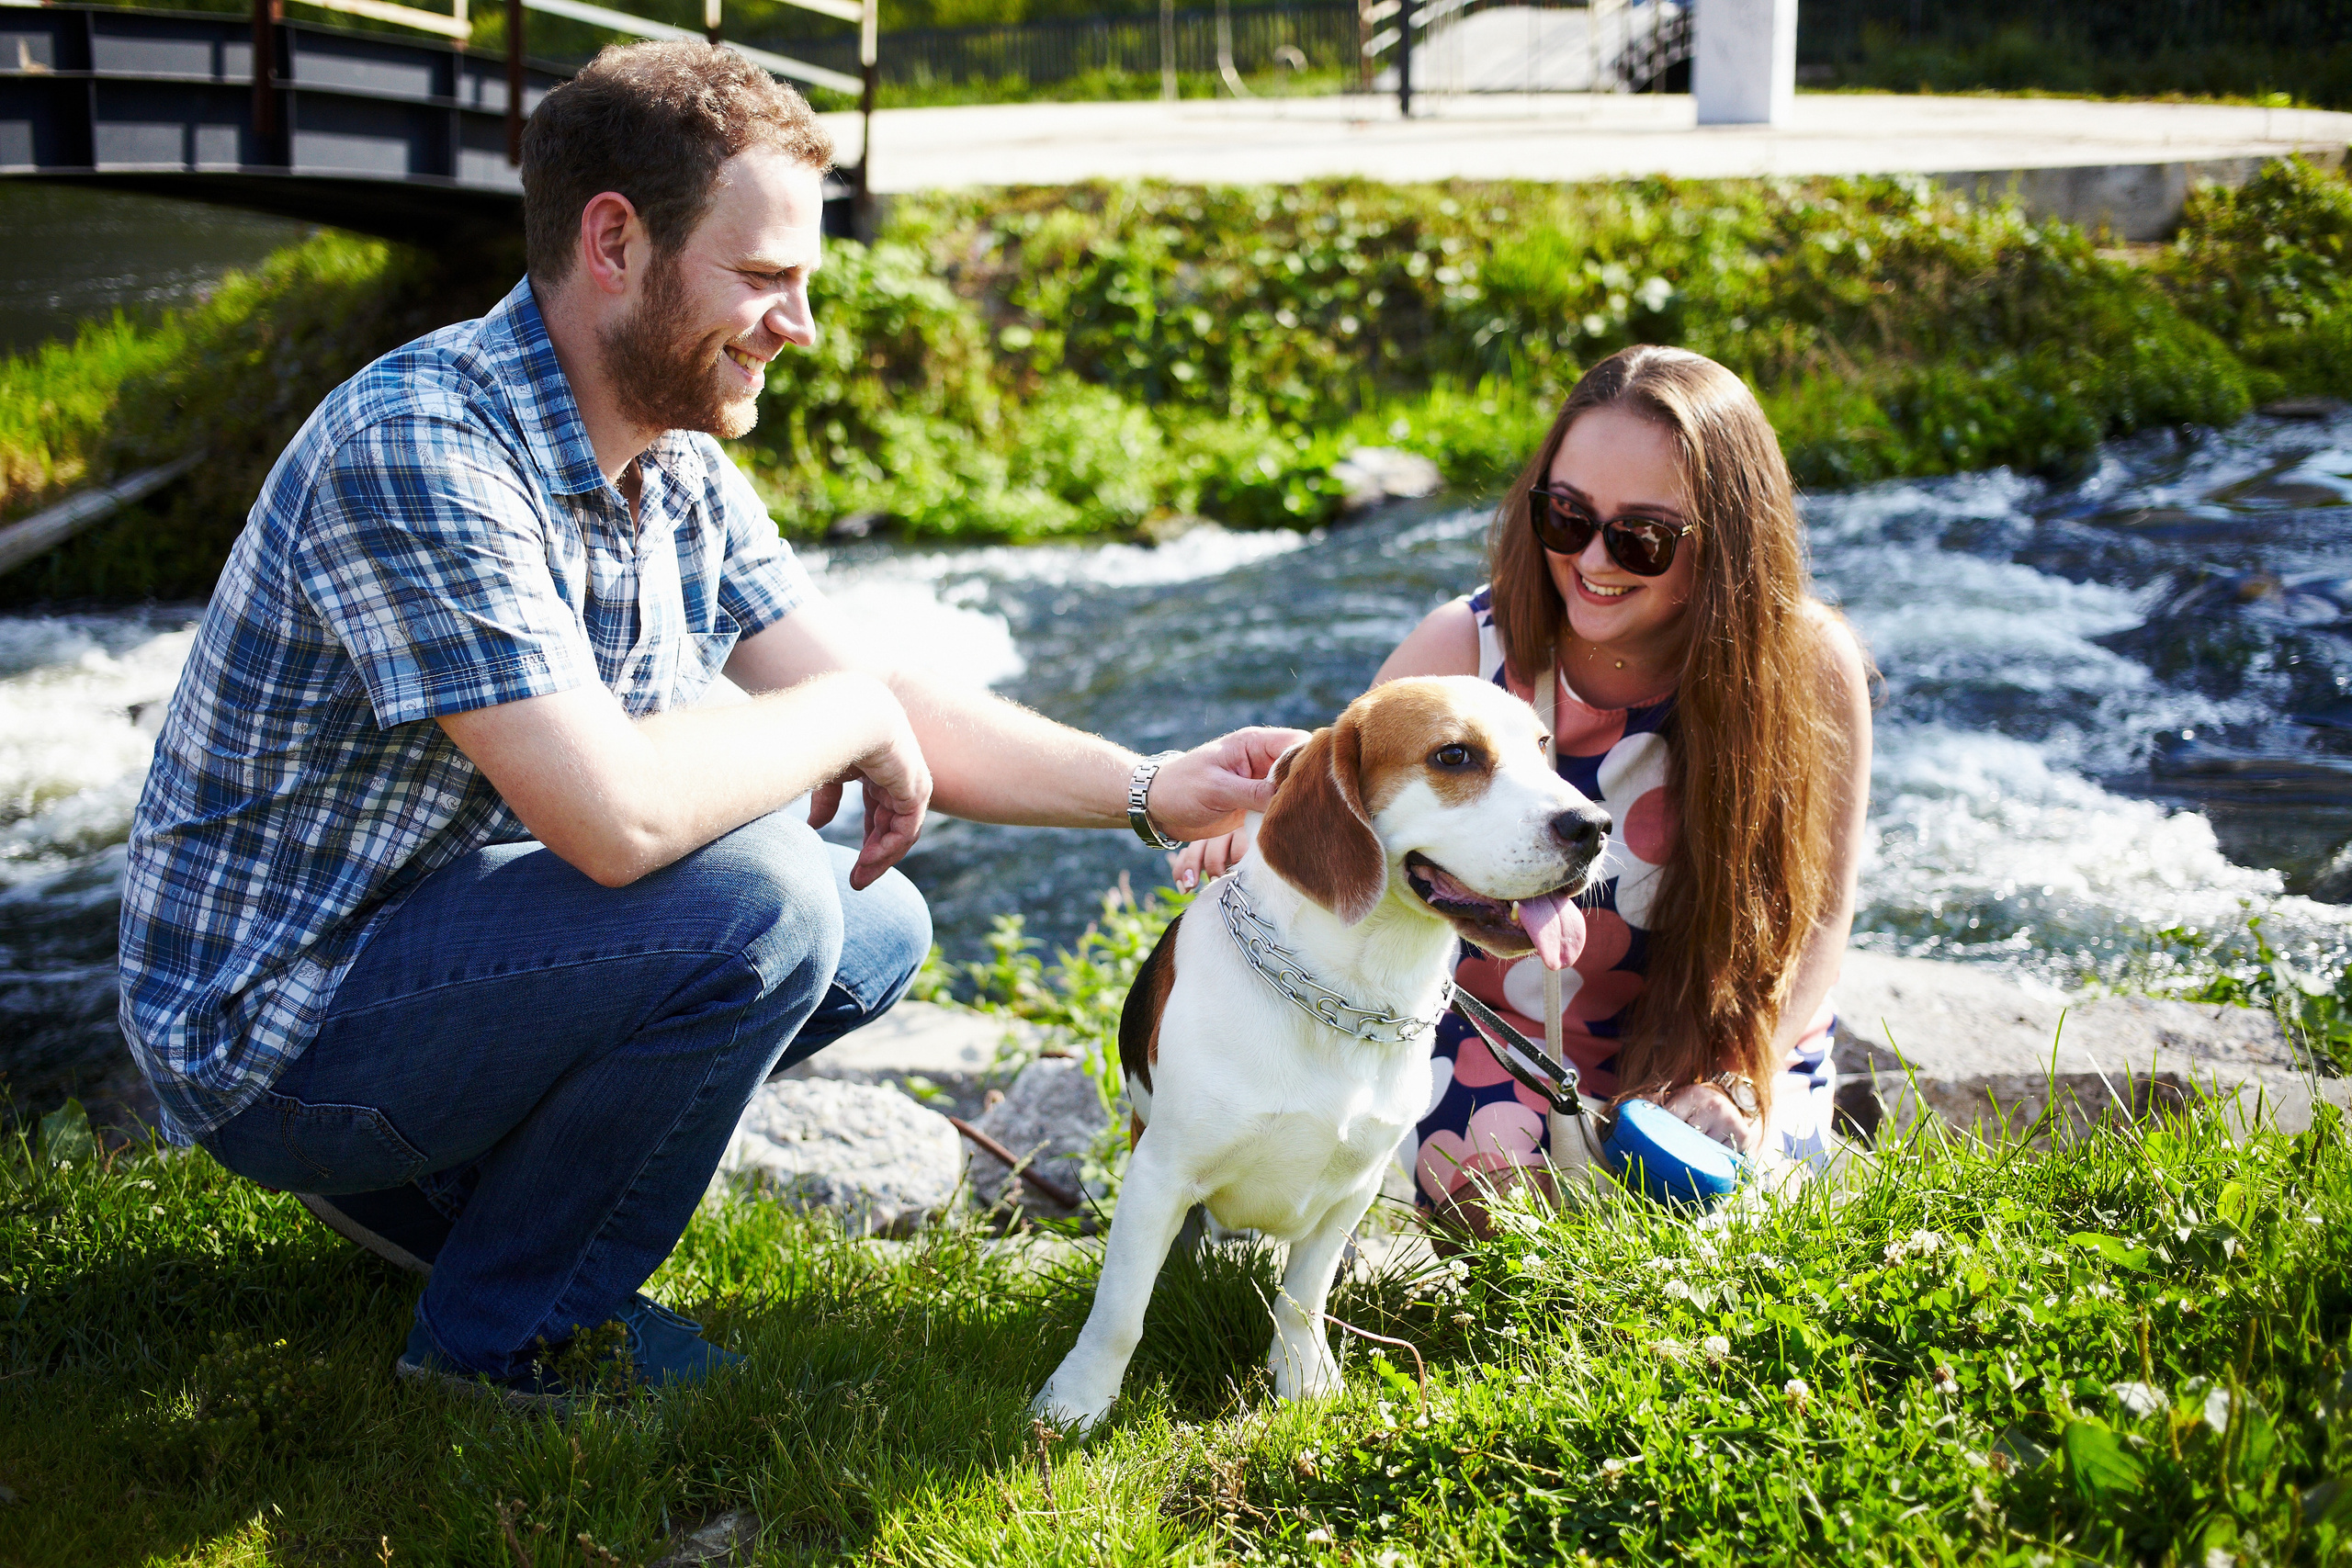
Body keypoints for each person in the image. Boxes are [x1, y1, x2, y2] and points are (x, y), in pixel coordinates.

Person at [115, 39, 1298, 1406]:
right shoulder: (423, 446)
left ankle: (452, 1203)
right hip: (279, 1030)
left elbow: (880, 694)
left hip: (436, 947)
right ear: (613, 241)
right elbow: (618, 819)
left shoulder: (670, 456)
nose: (799, 324)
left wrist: (1156, 785)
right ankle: (507, 1335)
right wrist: (844, 716)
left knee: (874, 923)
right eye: (764, 278)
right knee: (767, 896)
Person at [1176, 344, 1874, 1235]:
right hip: (1501, 1036)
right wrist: (1255, 826)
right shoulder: (1463, 650)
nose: (1591, 560)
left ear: (1728, 541)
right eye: (1566, 515)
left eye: (1641, 538)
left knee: (1725, 1237)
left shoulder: (1806, 662)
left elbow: (1820, 917)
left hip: (1722, 1041)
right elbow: (1343, 812)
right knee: (1513, 1234)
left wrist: (1739, 1076)